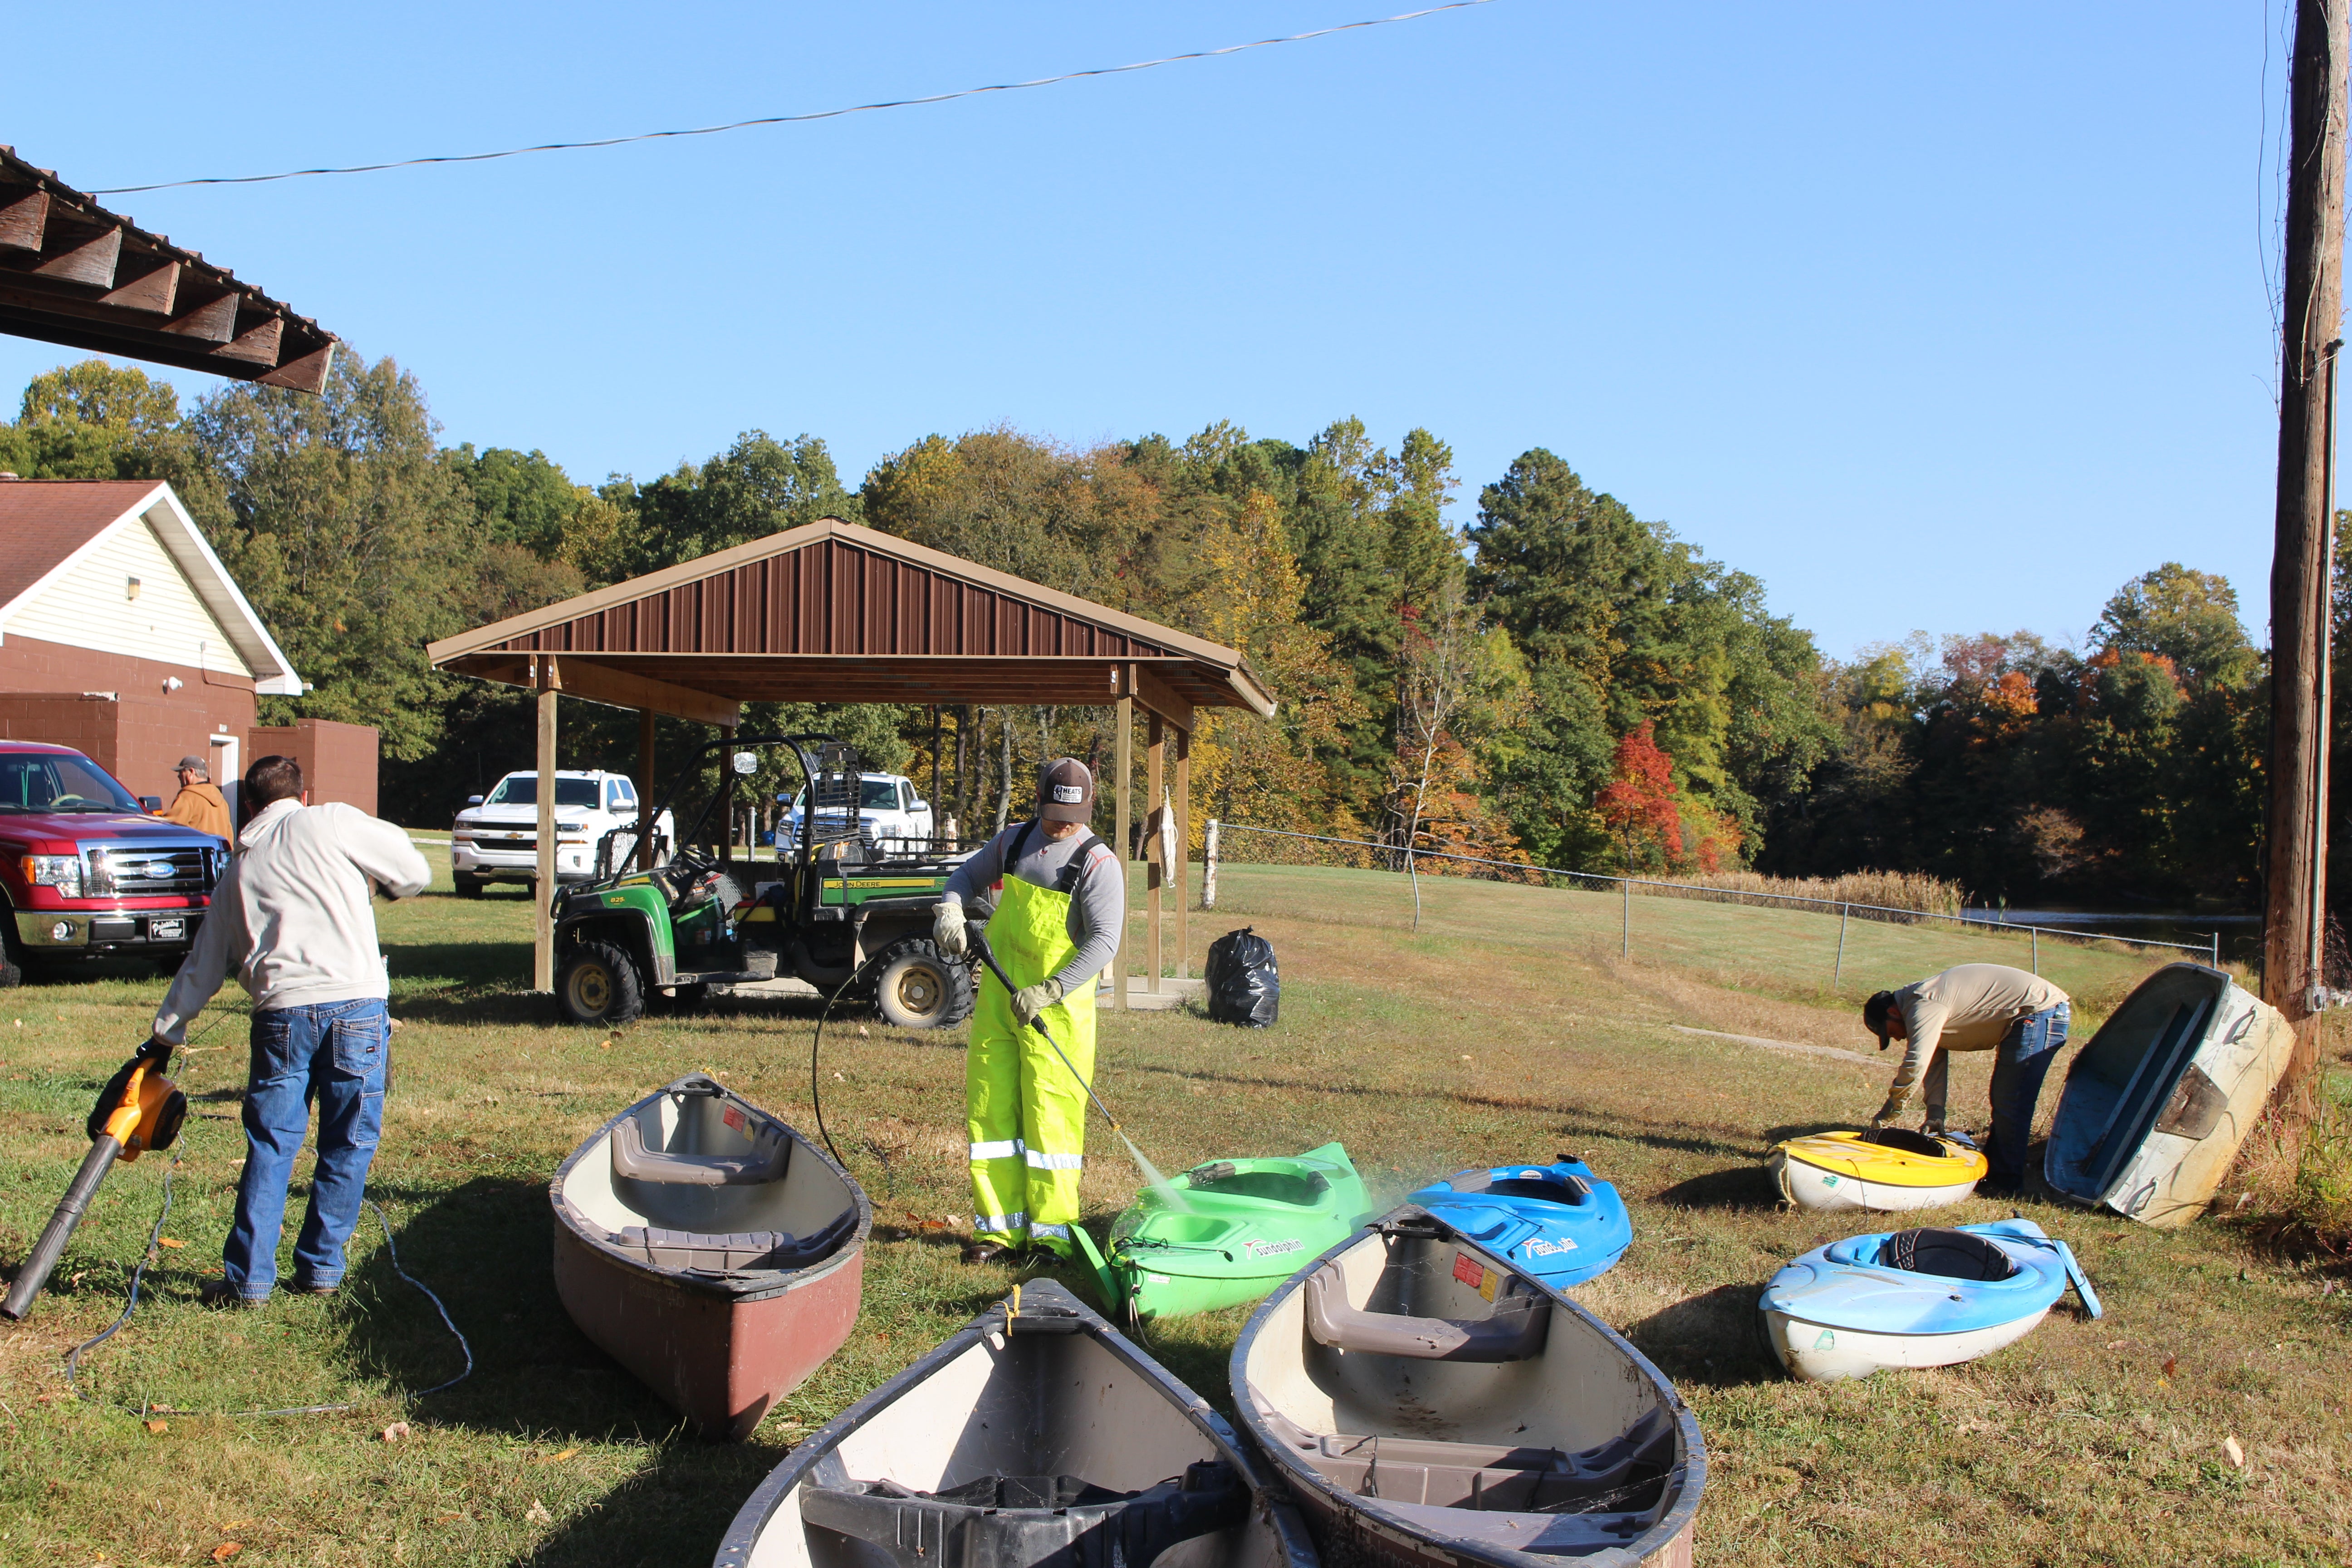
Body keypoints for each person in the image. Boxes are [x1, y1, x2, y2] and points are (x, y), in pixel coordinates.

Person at [152, 755, 431, 1307]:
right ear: (303, 796)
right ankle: (321, 1270)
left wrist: (166, 1034)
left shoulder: (241, 865)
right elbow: (415, 872)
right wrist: (389, 884)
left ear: (249, 807)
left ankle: (248, 1281)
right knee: (347, 1143)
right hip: (357, 1006)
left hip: (281, 1013)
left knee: (272, 1145)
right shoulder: (330, 821)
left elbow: (204, 964)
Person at [933, 758, 1122, 1264]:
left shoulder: (1098, 864)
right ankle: (998, 1230)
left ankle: (1052, 1236)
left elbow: (1105, 942)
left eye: (1075, 813)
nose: (1064, 822)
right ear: (1039, 800)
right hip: (999, 999)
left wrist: (1052, 988)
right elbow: (963, 879)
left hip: (1056, 1011)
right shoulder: (1014, 842)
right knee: (992, 1110)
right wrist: (950, 908)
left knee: (1051, 1124)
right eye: (1056, 811)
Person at [1862, 962, 2071, 1196]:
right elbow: (1933, 1062)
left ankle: (2006, 1185)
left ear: (1892, 1012)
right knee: (2005, 1100)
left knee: (2012, 1101)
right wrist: (1936, 1114)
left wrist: (1891, 1110)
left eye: (1891, 1033)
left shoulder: (1924, 1003)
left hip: (2040, 1012)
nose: (1897, 1039)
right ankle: (1993, 1172)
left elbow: (1917, 1062)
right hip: (2032, 1015)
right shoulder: (1917, 1005)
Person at [157, 754, 232, 841]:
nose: (179, 776)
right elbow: (229, 836)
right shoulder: (222, 801)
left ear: (192, 772)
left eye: (181, 772)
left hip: (195, 853)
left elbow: (169, 827)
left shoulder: (188, 797)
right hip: (218, 853)